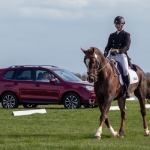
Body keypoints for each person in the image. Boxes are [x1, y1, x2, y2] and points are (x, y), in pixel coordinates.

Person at [104, 16, 131, 98]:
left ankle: (127, 89)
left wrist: (119, 51)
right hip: (112, 55)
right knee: (102, 66)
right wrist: (105, 53)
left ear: (122, 24)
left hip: (121, 56)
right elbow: (108, 46)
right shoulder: (112, 35)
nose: (117, 25)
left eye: (119, 24)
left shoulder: (126, 35)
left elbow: (127, 46)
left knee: (125, 70)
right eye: (116, 24)